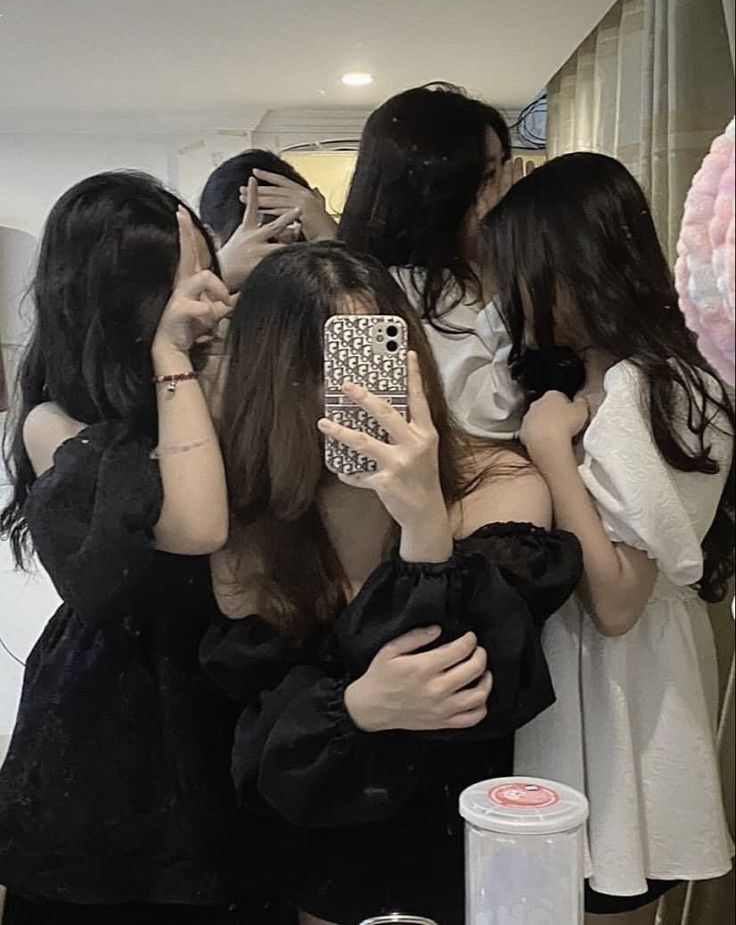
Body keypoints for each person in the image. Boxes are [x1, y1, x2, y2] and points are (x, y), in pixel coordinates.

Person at [199, 240, 583, 925]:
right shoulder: (252, 530)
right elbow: (267, 756)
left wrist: (425, 528)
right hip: (326, 866)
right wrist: (358, 708)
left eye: (368, 355)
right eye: (319, 365)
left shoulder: (500, 484)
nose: (354, 389)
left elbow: (480, 692)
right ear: (272, 376)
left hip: (476, 851)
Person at [0, 172, 292, 924]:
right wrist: (172, 352)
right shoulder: (53, 423)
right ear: (116, 297)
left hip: (229, 693)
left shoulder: (205, 372)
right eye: (177, 279)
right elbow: (197, 523)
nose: (200, 295)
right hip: (117, 732)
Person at [480, 152, 735, 924]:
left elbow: (620, 599)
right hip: (587, 679)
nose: (508, 292)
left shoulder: (666, 385)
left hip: (622, 685)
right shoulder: (598, 377)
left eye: (518, 270)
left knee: (597, 892)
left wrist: (554, 453)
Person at [339, 82, 528, 439]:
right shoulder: (397, 290)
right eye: (489, 175)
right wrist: (507, 278)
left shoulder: (467, 274)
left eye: (503, 167)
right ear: (439, 189)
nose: (506, 188)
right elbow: (490, 417)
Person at [200, 148, 337, 292]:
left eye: (293, 224)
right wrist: (219, 279)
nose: (285, 235)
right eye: (262, 228)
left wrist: (331, 248)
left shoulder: (315, 280)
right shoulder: (191, 298)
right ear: (210, 239)